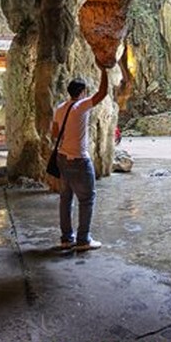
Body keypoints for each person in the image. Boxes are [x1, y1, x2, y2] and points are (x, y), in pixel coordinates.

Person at [51, 64, 109, 251]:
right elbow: (102, 93)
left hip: (62, 159)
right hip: (78, 160)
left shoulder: (60, 108)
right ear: (82, 92)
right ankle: (83, 240)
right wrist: (104, 71)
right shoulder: (81, 106)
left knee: (65, 199)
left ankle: (66, 239)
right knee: (87, 199)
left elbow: (54, 133)